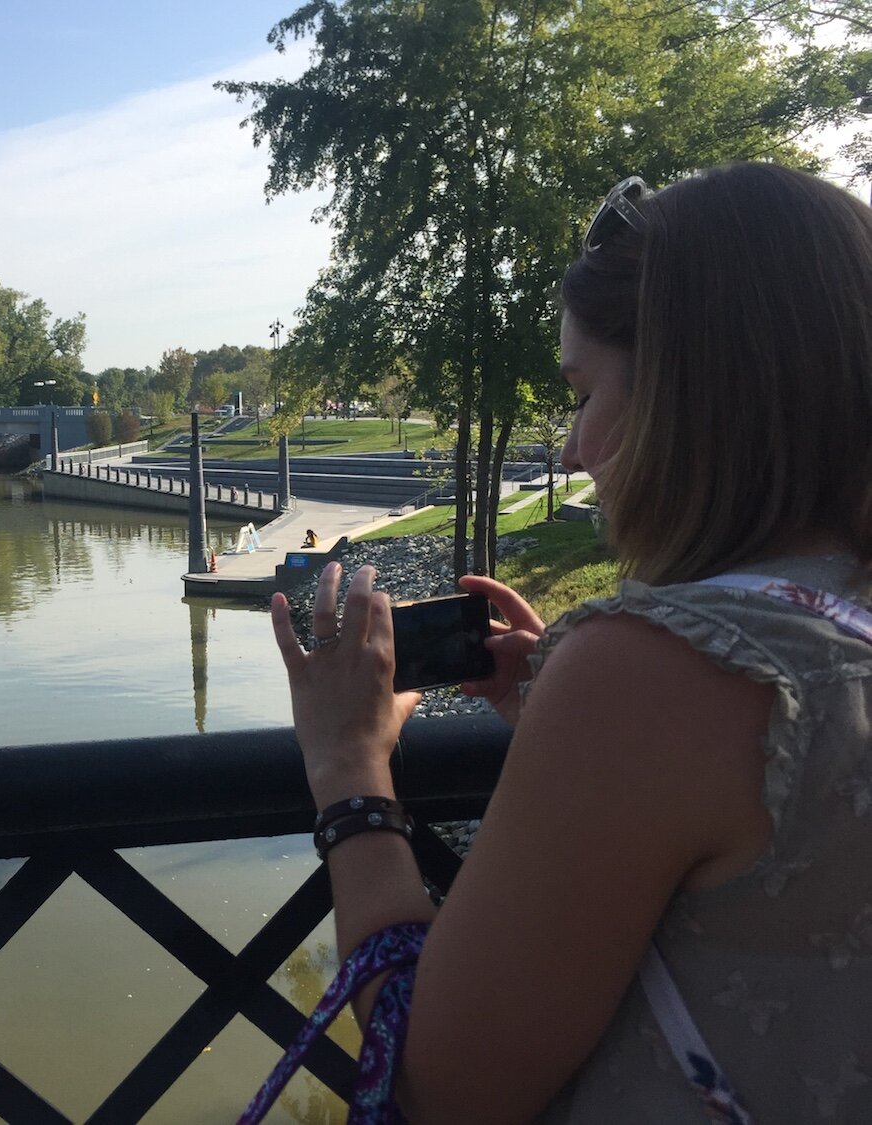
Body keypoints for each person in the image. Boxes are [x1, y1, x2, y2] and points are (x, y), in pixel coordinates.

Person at [263, 163, 872, 1123]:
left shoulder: (653, 673)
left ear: (689, 392)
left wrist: (347, 763)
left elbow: (438, 1087)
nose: (579, 448)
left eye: (584, 393)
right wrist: (572, 730)